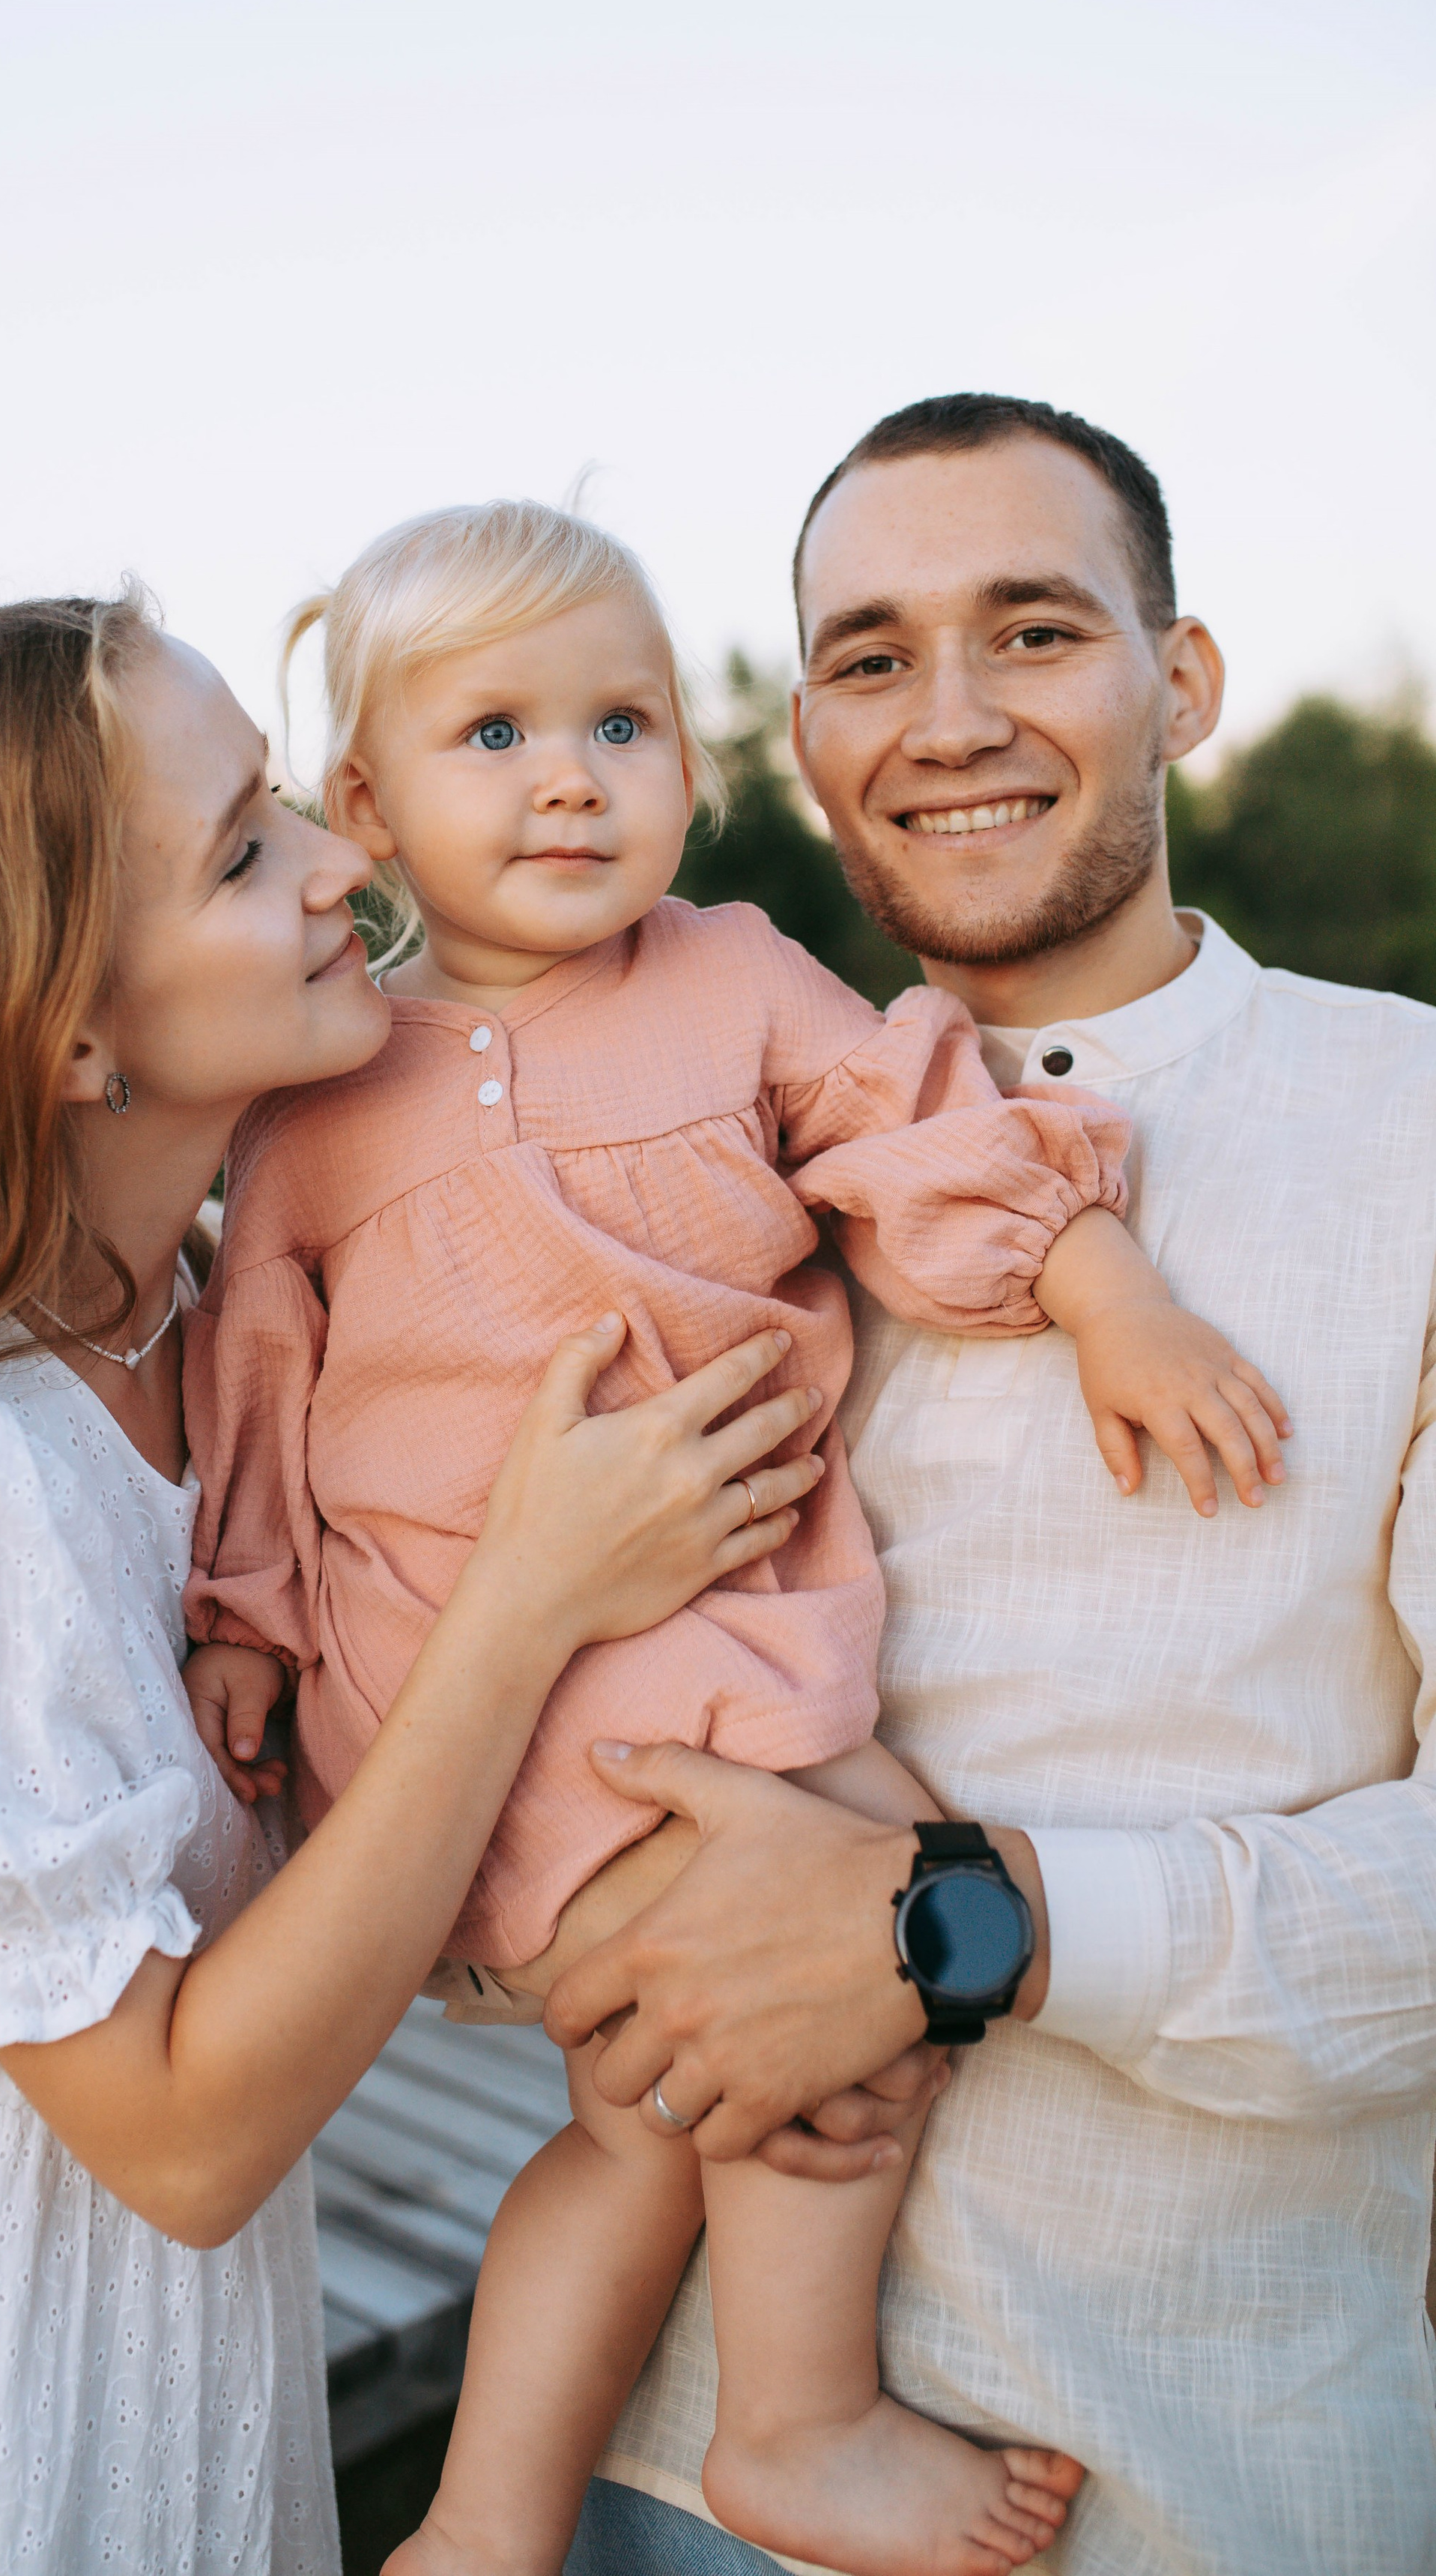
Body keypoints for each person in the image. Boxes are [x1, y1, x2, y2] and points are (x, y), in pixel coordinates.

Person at [0, 593, 824, 2576]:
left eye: (293, 806)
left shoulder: (230, 1331)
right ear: (55, 1023)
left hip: (168, 2390)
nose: (347, 860)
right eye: (243, 853)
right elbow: (189, 2138)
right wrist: (528, 1601)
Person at [180, 501, 1288, 2576]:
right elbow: (257, 1372)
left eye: (628, 723)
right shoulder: (320, 1090)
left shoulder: (737, 980)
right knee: (840, 1951)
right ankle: (795, 2420)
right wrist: (243, 1621)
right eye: (493, 734)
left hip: (723, 1649)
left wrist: (1094, 1284)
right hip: (467, 1694)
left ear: (701, 767)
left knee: (691, 2084)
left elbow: (918, 1121)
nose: (575, 775)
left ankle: (489, 2525)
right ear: (366, 805)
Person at [550, 395, 1436, 2576]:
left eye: (1032, 631)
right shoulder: (681, 1178)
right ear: (805, 732)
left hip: (1207, 2475)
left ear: (1184, 681)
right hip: (678, 2472)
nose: (946, 719)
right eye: (868, 658)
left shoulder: (1414, 1136)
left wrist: (969, 1928)